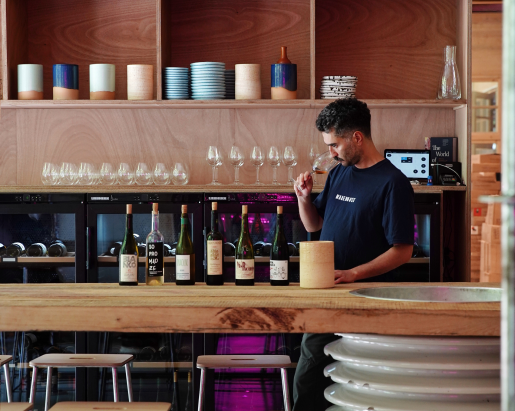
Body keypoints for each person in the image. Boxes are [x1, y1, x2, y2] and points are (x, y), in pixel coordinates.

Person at [292, 98, 415, 410]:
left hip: (366, 299)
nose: (331, 152)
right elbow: (315, 224)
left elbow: (402, 251)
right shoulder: (338, 173)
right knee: (307, 382)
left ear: (357, 137)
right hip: (326, 293)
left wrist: (353, 274)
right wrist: (303, 199)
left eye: (335, 144)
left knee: (360, 388)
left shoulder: (393, 183)